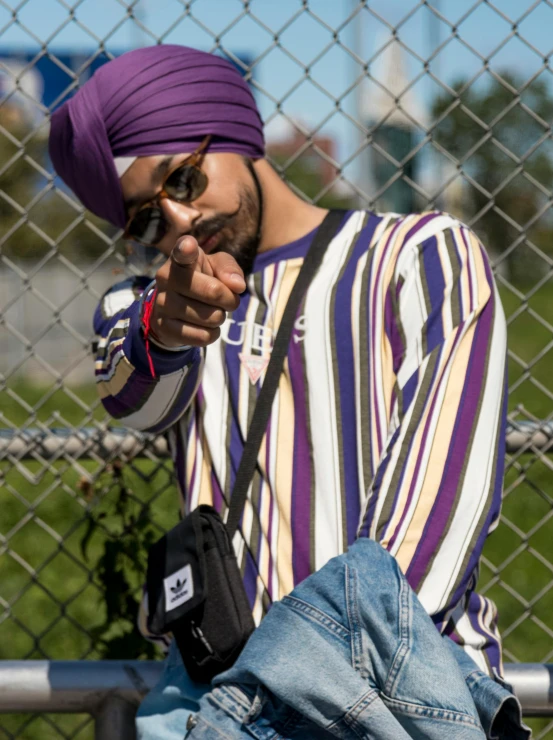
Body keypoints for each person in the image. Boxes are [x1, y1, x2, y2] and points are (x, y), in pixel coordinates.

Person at [48, 45, 527, 739]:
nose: (177, 223)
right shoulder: (140, 305)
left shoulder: (421, 257)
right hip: (215, 693)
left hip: (407, 693)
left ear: (234, 133)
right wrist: (164, 328)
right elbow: (131, 391)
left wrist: (265, 704)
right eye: (146, 222)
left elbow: (433, 524)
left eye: (181, 179)